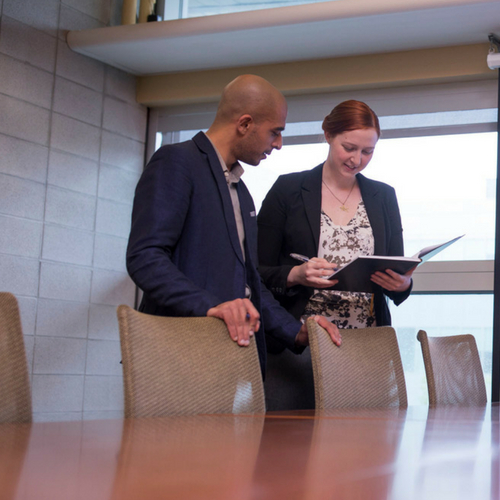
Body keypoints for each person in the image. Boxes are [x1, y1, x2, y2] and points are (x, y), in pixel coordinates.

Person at [126, 74, 341, 374]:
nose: (278, 144)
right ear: (245, 124)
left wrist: (296, 331)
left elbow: (251, 285)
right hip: (176, 357)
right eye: (274, 132)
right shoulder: (176, 162)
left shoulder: (242, 192)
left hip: (224, 359)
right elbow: (145, 258)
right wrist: (210, 306)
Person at [257, 100, 412, 410]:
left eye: (367, 152)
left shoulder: (384, 196)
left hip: (365, 345)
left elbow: (396, 267)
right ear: (328, 134)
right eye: (349, 147)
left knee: (363, 449)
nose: (357, 159)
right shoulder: (287, 190)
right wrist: (295, 275)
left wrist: (403, 286)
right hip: (300, 340)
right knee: (289, 447)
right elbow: (255, 270)